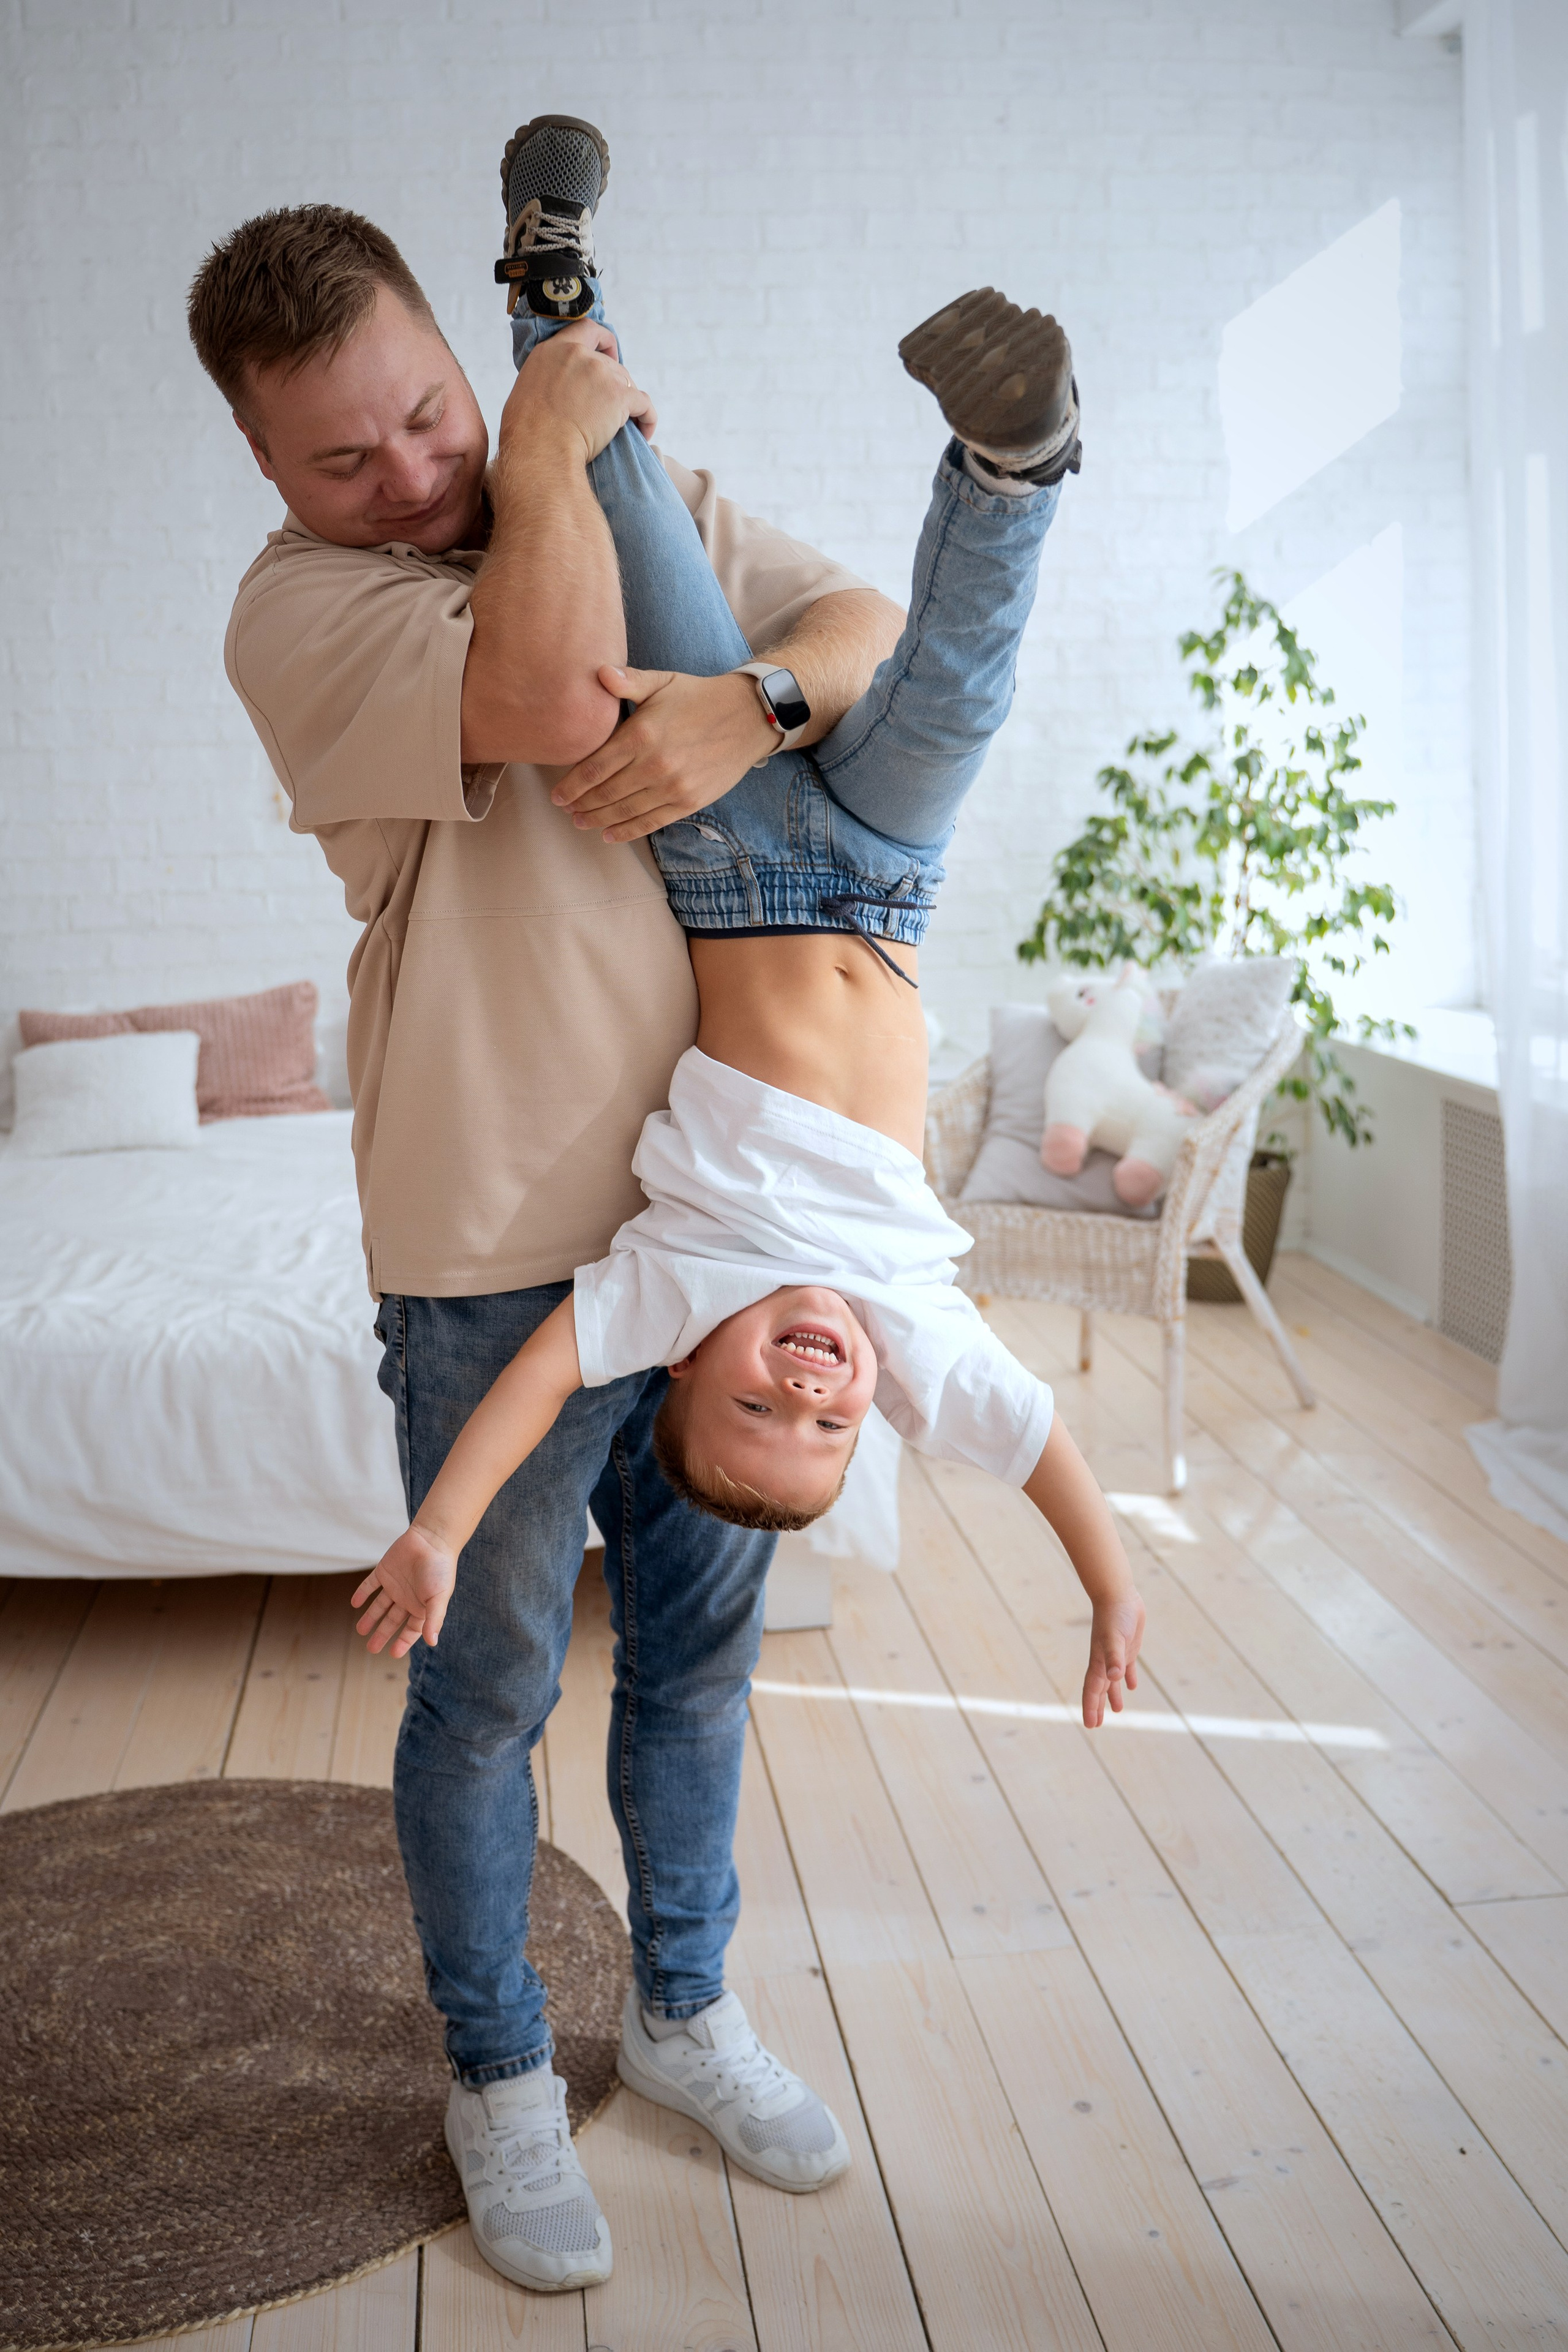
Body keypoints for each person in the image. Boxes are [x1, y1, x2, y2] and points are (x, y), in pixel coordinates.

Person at [350, 102, 1145, 2230]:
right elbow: (1038, 1436)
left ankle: (555, 292)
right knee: (968, 679)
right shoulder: (899, 1330)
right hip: (881, 878)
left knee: (652, 557)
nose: (813, 1383)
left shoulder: (673, 1274)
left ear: (687, 1375)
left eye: (765, 1403)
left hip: (729, 861)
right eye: (833, 1413)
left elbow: (539, 1388)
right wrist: (1112, 1581)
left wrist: (433, 1529)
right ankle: (1021, 461)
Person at [189, 119, 908, 2296]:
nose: (407, 476)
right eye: (343, 459)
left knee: (701, 1672)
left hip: (717, 1224)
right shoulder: (302, 611)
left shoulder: (627, 494)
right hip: (491, 1238)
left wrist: (756, 697)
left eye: (423, 410)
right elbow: (533, 696)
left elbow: (864, 622)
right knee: (488, 1694)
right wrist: (541, 415)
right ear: (271, 481)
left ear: (446, 340)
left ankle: (681, 2017)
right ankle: (500, 2071)